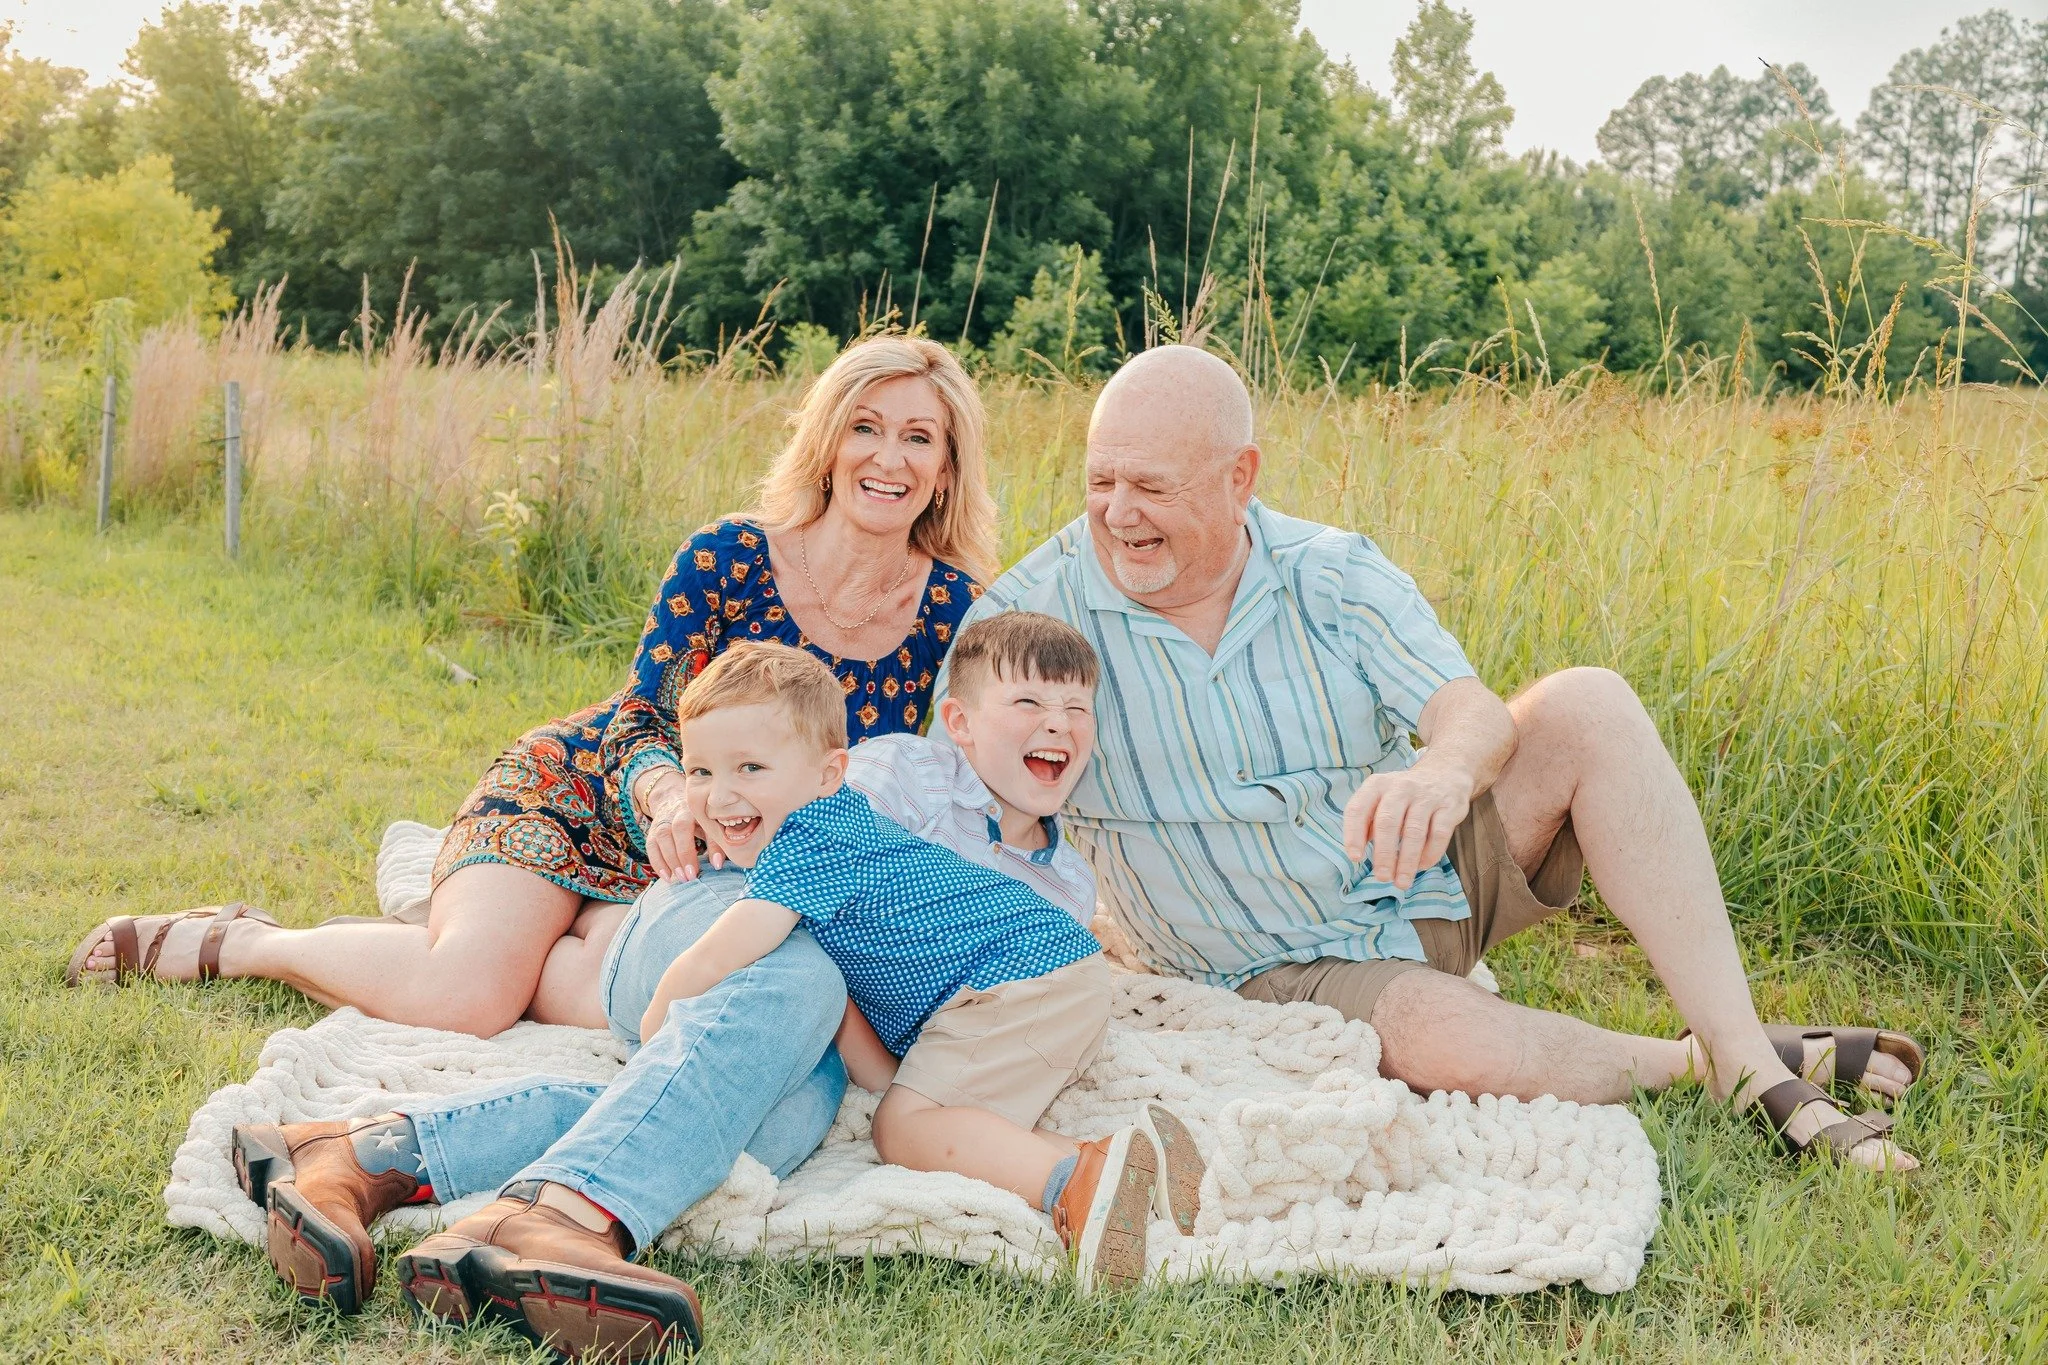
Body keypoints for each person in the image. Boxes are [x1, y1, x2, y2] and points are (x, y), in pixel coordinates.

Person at [943, 344, 1924, 1174]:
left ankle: (1742, 1045)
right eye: (1100, 481)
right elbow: (963, 797)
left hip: (1414, 878)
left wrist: (1441, 773)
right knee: (1439, 1029)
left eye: (1151, 487)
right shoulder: (1031, 622)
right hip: (1269, 962)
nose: (1116, 513)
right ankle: (1710, 1066)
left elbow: (1468, 711)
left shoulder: (1328, 571)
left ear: (1239, 478)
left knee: (1587, 703)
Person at [230, 617, 1199, 1361]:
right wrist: (677, 812)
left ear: (825, 768)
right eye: (708, 769)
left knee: (755, 1133)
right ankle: (556, 1217)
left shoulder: (843, 803)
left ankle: (360, 1152)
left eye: (746, 767)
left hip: (791, 970)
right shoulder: (777, 762)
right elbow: (756, 906)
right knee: (793, 977)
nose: (723, 785)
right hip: (706, 907)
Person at [67, 336, 996, 1033]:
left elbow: (950, 781)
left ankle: (529, 933)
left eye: (920, 437)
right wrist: (673, 792)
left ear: (947, 467)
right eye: (867, 428)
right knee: (469, 997)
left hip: (735, 864)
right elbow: (641, 716)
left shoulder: (956, 610)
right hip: (591, 794)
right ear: (830, 444)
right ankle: (241, 941)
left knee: (639, 1003)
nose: (890, 458)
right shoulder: (730, 555)